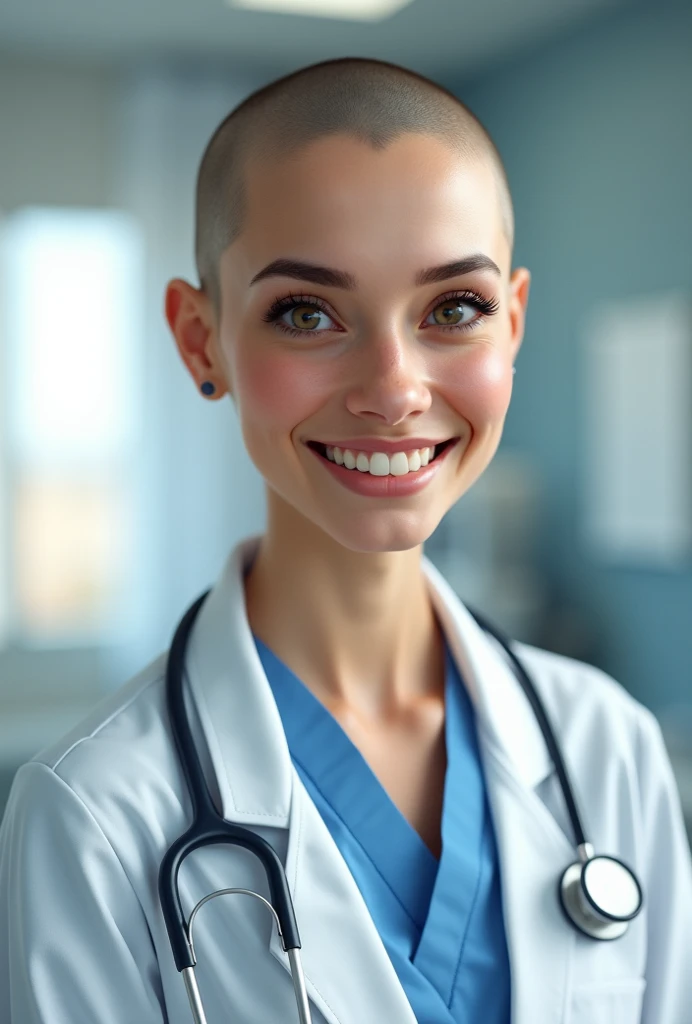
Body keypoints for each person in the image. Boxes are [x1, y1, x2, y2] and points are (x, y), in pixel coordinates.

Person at [1, 56, 691, 1024]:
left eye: (454, 308)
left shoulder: (604, 745)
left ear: (513, 323)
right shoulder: (96, 808)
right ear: (202, 341)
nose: (393, 386)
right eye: (306, 312)